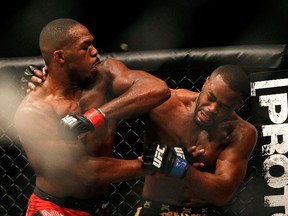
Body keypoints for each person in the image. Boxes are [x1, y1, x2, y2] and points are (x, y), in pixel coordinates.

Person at [25, 63, 258, 215]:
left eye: (224, 106)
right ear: (206, 82)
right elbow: (102, 82)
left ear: (238, 105)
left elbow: (222, 193)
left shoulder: (241, 132)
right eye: (211, 97)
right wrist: (51, 79)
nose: (212, 108)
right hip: (153, 209)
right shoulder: (166, 104)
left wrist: (179, 169)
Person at [14, 18, 173, 216]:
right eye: (85, 47)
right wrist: (147, 166)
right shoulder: (34, 112)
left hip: (100, 208)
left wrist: (97, 116)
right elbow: (82, 171)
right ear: (60, 57)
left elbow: (159, 89)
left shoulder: (104, 76)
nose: (95, 51)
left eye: (92, 43)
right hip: (55, 208)